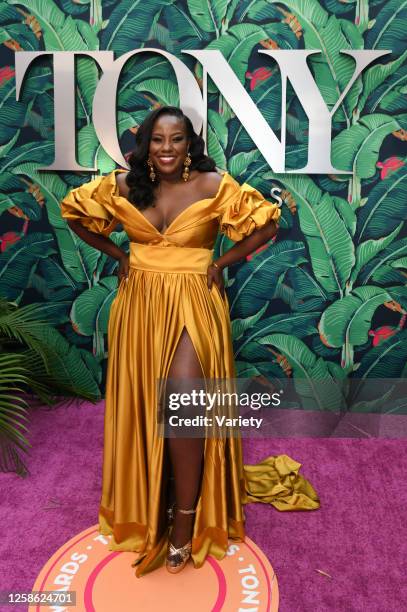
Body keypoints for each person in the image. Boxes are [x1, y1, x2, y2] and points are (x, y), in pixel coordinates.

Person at [60, 105, 319, 577]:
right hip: (138, 304)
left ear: (189, 144)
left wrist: (219, 265)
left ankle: (186, 519)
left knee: (182, 402)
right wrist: (119, 253)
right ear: (146, 145)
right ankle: (150, 498)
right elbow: (73, 212)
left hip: (193, 302)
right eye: (157, 139)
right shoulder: (123, 185)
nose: (165, 148)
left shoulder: (213, 185)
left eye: (175, 139)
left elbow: (268, 223)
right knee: (144, 406)